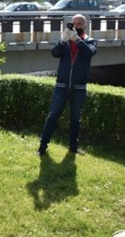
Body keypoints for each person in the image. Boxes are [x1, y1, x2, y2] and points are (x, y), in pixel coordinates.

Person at [37, 14, 97, 155]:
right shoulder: (65, 42)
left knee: (75, 118)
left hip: (79, 88)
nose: (76, 26)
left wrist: (77, 40)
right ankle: (42, 147)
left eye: (79, 24)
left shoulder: (90, 41)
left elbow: (89, 53)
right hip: (61, 86)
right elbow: (54, 53)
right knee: (53, 116)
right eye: (73, 23)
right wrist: (63, 40)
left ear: (84, 26)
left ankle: (73, 147)